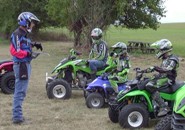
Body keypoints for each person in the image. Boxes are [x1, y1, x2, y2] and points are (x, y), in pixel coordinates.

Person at [9, 12, 42, 124]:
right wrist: (28, 54)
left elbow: (22, 45)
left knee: (21, 91)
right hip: (21, 65)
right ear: (26, 22)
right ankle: (17, 118)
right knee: (20, 91)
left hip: (25, 64)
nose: (33, 25)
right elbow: (16, 51)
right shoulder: (17, 34)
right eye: (32, 23)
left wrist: (33, 44)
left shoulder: (23, 34)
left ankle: (17, 115)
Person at [146, 39, 179, 117]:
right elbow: (160, 71)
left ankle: (164, 107)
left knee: (149, 86)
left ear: (165, 49)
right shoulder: (165, 59)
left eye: (159, 49)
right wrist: (144, 71)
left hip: (169, 80)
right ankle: (152, 104)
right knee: (146, 80)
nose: (157, 51)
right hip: (163, 78)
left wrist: (155, 68)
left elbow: (167, 70)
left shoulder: (173, 59)